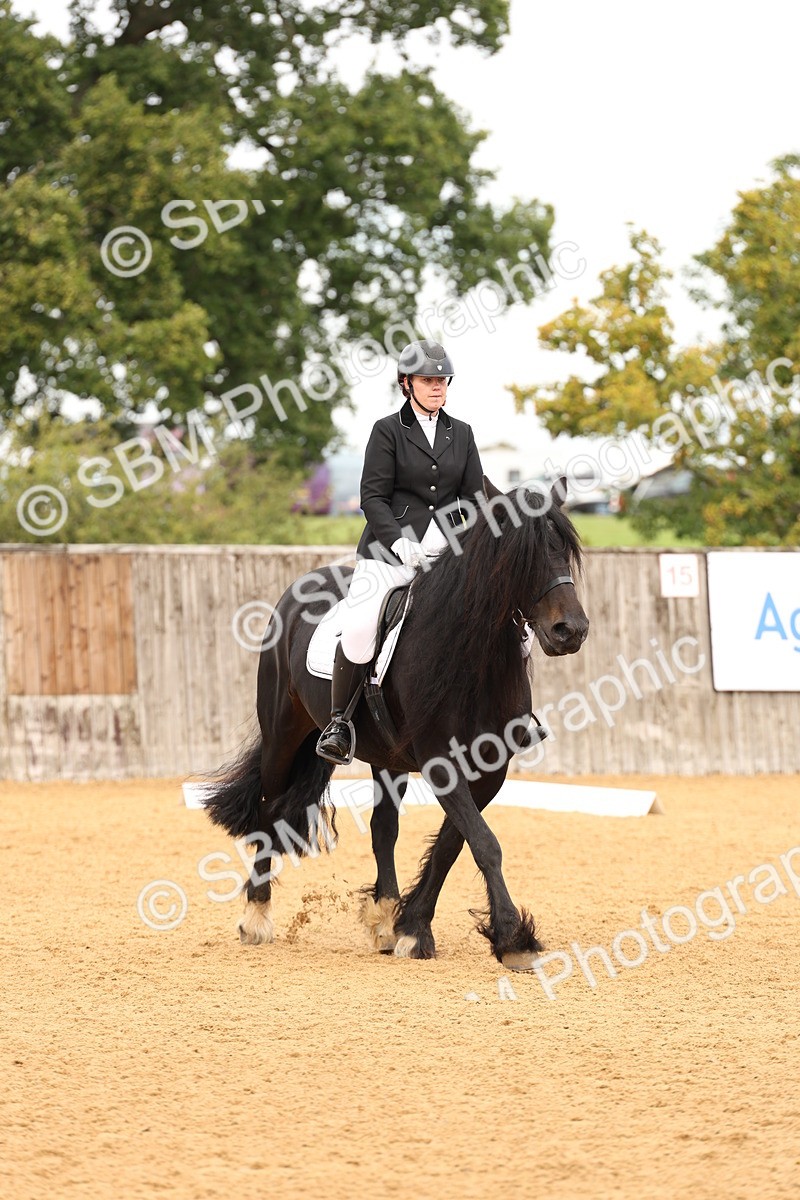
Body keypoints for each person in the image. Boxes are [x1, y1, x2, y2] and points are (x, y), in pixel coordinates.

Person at [316, 339, 484, 764]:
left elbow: (475, 497)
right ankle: (340, 723)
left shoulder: (462, 434)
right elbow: (372, 497)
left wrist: (460, 539)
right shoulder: (387, 430)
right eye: (429, 380)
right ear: (406, 384)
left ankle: (509, 714)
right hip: (387, 553)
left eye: (442, 381)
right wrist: (400, 542)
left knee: (500, 616)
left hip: (446, 555)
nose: (437, 387)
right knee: (358, 627)